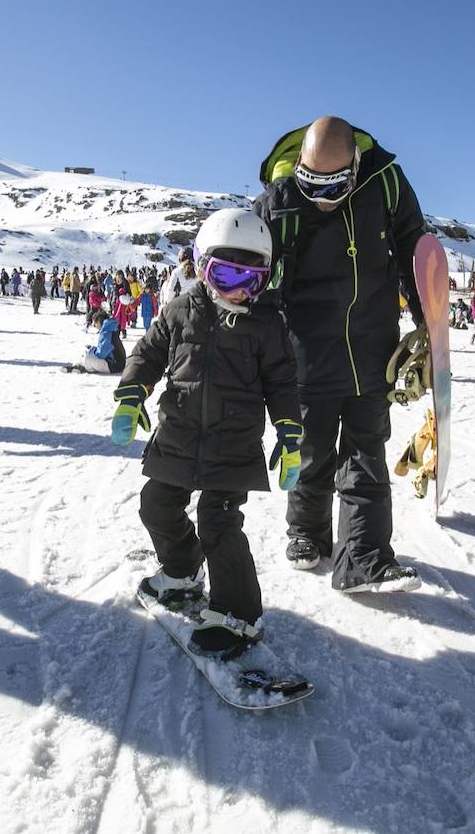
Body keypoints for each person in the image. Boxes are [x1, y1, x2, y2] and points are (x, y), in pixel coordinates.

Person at [113, 209, 302, 652]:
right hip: (177, 434)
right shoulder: (180, 310)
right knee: (156, 504)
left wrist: (290, 432)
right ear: (200, 266)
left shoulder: (267, 324)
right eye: (226, 275)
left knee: (219, 525)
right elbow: (148, 353)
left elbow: (281, 382)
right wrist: (131, 393)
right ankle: (181, 570)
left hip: (231, 445)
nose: (238, 291)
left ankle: (239, 615)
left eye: (250, 280)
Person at [253, 116, 424, 593]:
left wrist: (428, 317)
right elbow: (250, 273)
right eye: (313, 183)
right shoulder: (279, 200)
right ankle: (306, 533)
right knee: (312, 451)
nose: (324, 196)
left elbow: (415, 247)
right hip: (306, 349)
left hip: (373, 345)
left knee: (366, 452)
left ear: (354, 162)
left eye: (336, 185)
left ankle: (365, 559)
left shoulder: (384, 181)